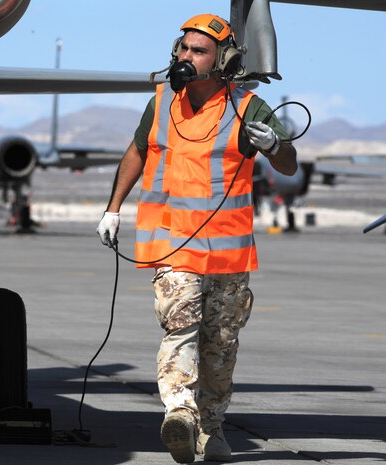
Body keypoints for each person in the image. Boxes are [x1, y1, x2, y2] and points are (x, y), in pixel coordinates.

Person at [96, 14, 297, 464]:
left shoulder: (249, 108)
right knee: (180, 328)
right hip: (172, 245)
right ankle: (180, 414)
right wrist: (113, 208)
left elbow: (289, 165)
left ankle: (211, 428)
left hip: (227, 254)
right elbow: (138, 149)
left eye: (198, 51)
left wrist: (271, 146)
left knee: (220, 347)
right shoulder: (163, 99)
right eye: (183, 48)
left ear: (223, 60)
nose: (186, 57)